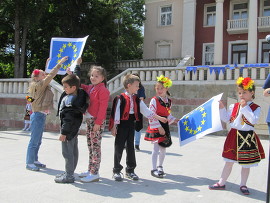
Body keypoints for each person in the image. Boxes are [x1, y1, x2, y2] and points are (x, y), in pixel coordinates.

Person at [209, 77, 265, 195]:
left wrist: (245, 107)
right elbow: (227, 119)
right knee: (229, 161)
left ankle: (243, 184)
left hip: (247, 137)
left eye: (244, 92)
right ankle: (221, 182)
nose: (241, 95)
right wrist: (221, 108)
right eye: (240, 93)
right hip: (234, 135)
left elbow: (253, 120)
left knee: (246, 164)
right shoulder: (233, 106)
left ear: (252, 93)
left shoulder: (256, 108)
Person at [109, 74, 167, 181]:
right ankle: (116, 170)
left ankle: (130, 170)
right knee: (119, 147)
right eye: (136, 85)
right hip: (121, 125)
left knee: (130, 147)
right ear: (129, 85)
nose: (138, 88)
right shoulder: (120, 98)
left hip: (131, 124)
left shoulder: (136, 99)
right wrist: (114, 127)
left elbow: (146, 111)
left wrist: (159, 117)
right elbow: (116, 113)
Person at [69, 59, 110, 183]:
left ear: (102, 78)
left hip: (96, 121)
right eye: (92, 75)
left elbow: (103, 108)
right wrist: (71, 75)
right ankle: (90, 169)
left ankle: (95, 172)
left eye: (96, 76)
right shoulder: (91, 87)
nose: (93, 77)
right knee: (90, 145)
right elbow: (80, 85)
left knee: (96, 146)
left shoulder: (103, 90)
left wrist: (98, 122)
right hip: (89, 119)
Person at [26, 56, 68, 171]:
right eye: (42, 74)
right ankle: (29, 162)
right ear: (38, 77)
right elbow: (51, 75)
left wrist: (47, 65)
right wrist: (60, 63)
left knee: (38, 140)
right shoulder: (40, 84)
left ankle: (34, 160)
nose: (45, 74)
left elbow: (46, 76)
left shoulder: (38, 83)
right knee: (34, 141)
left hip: (40, 115)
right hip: (38, 115)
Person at [54, 74, 89, 184]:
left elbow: (68, 118)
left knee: (67, 153)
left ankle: (69, 176)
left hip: (68, 130)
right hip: (74, 129)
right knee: (73, 150)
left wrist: (63, 132)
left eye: (65, 87)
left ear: (73, 88)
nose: (64, 89)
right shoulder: (78, 96)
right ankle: (70, 172)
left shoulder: (70, 100)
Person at [144, 75, 178, 178]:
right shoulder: (154, 100)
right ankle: (153, 169)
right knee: (155, 149)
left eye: (161, 88)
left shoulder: (169, 101)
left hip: (165, 125)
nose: (159, 90)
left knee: (163, 148)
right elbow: (151, 114)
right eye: (157, 88)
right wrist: (159, 127)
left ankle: (160, 166)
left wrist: (175, 120)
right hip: (156, 125)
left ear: (167, 88)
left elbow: (168, 114)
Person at [132, 73, 146, 151]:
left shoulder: (141, 88)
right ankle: (126, 144)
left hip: (138, 111)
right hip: (129, 111)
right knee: (128, 128)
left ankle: (136, 144)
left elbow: (141, 99)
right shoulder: (128, 87)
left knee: (137, 128)